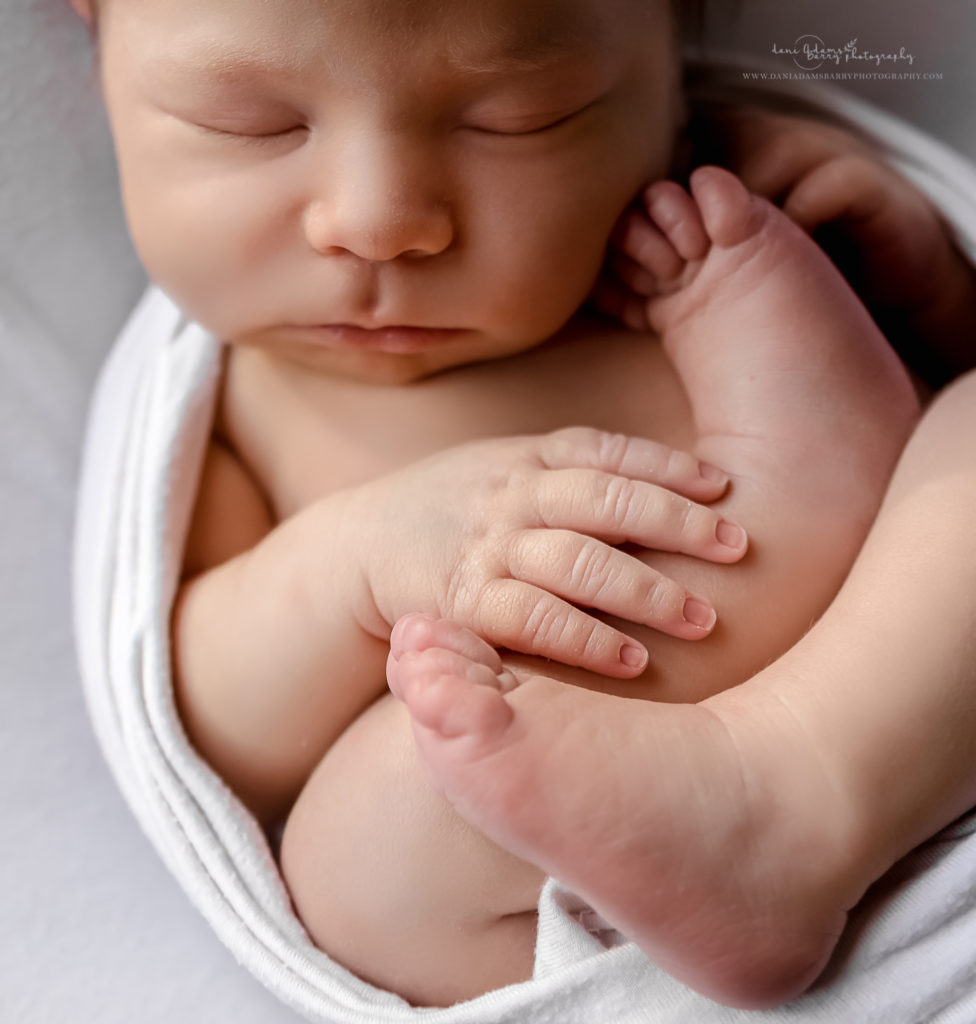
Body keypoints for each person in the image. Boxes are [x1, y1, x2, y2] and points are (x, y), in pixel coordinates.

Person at [70, 0, 976, 1011]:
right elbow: (206, 729)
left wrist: (928, 293)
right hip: (557, 828)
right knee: (362, 844)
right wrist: (349, 564)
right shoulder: (240, 411)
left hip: (922, 709)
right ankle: (775, 816)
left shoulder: (713, 213)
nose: (380, 220)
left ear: (674, 64)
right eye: (250, 123)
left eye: (519, 118)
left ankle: (799, 791)